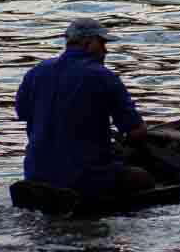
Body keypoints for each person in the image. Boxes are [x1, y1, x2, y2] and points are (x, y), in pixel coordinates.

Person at [15, 18, 154, 205]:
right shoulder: (102, 76)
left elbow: (23, 113)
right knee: (142, 178)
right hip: (84, 178)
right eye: (102, 43)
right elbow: (135, 131)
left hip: (35, 173)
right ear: (88, 43)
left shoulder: (36, 72)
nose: (106, 50)